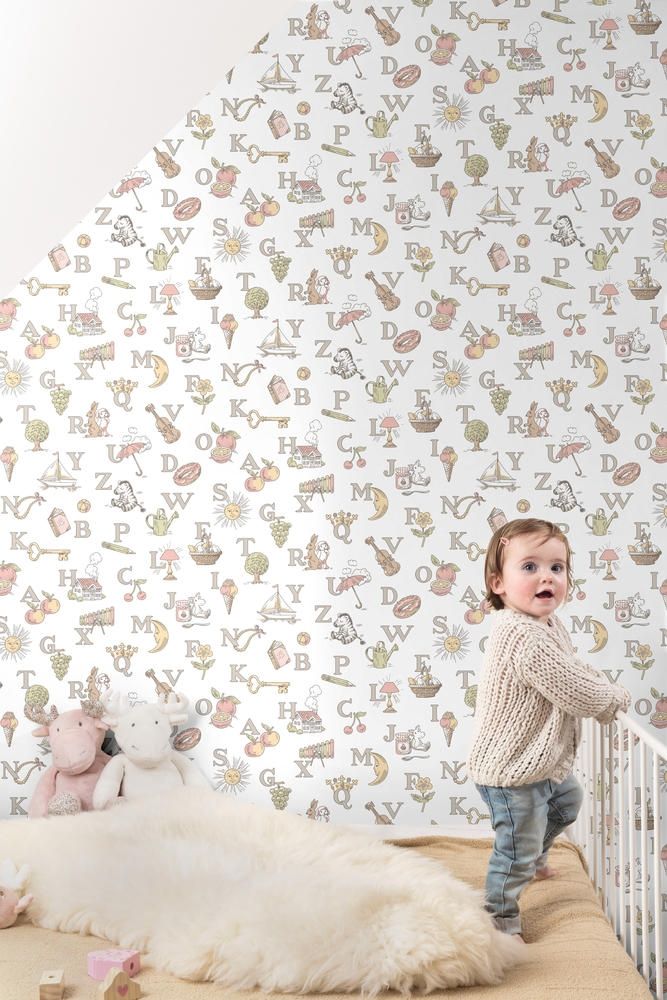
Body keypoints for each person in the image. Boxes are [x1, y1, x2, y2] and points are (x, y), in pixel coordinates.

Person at [467, 518, 631, 942]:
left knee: (566, 801)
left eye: (557, 568)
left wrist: (601, 682)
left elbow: (573, 667)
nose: (547, 577)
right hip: (510, 771)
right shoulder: (522, 636)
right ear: (498, 583)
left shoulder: (547, 625)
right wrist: (612, 699)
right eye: (530, 567)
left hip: (536, 764)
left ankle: (536, 854)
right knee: (514, 851)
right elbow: (577, 692)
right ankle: (499, 918)